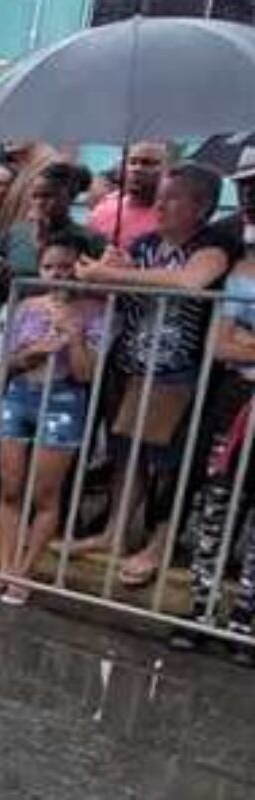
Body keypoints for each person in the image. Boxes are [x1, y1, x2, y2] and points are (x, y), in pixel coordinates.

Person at [75, 162, 235, 588]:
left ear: (200, 206)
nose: (160, 206)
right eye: (159, 198)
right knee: (128, 453)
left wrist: (114, 273)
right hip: (132, 363)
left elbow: (190, 282)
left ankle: (159, 543)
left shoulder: (214, 245)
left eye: (172, 198)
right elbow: (131, 288)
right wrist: (120, 269)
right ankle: (114, 532)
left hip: (179, 373)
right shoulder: (145, 245)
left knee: (172, 463)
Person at [0, 232, 109, 605]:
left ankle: (26, 572)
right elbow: (2, 361)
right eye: (49, 267)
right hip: (19, 395)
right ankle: (4, 566)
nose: (57, 275)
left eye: (67, 268)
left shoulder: (98, 311)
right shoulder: (23, 306)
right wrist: (33, 352)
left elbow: (88, 375)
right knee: (9, 487)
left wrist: (73, 337)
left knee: (45, 493)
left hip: (64, 400)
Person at [171, 236, 255, 663]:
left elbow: (233, 341)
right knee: (218, 504)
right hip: (236, 400)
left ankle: (245, 618)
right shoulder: (241, 272)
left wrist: (245, 339)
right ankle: (201, 609)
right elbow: (219, 345)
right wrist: (235, 341)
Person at [89, 141, 170, 249]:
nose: (137, 169)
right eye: (132, 162)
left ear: (165, 170)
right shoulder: (103, 209)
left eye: (147, 163)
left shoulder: (172, 216)